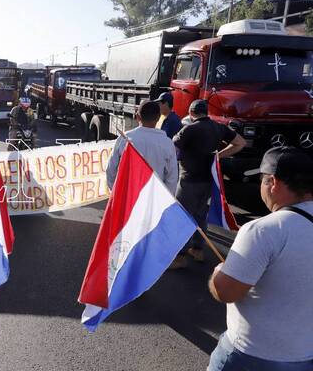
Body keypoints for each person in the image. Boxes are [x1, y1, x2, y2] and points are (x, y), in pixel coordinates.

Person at [207, 146, 313, 370]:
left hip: (250, 355)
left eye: (262, 181)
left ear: (273, 182)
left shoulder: (264, 230)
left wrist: (218, 272)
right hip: (304, 355)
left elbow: (226, 291)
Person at [171, 99, 246, 268]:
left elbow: (173, 146)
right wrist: (218, 155)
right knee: (200, 215)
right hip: (208, 179)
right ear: (206, 112)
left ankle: (180, 257)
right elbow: (240, 142)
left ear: (191, 113)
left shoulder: (189, 129)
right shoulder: (218, 127)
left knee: (183, 217)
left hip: (188, 179)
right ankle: (198, 250)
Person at [106, 100, 178, 193]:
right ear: (159, 118)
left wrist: (116, 192)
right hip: (154, 198)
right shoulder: (167, 143)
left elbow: (111, 169)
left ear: (137, 117)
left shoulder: (125, 139)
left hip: (129, 197)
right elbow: (172, 178)